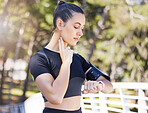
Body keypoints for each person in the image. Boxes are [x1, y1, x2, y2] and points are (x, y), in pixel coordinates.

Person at [29, 1, 113, 113]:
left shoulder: (77, 59)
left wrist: (99, 85)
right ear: (59, 24)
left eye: (82, 28)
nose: (80, 33)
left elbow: (109, 86)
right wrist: (66, 63)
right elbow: (56, 97)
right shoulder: (39, 59)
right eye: (76, 26)